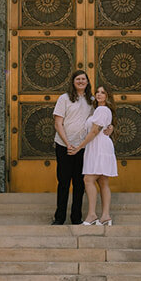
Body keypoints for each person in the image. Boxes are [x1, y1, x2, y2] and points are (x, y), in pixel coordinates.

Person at [51, 70, 93, 226]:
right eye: (78, 79)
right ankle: (59, 217)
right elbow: (58, 123)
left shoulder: (92, 100)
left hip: (83, 148)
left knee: (79, 183)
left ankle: (76, 217)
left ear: (87, 82)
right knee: (63, 182)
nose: (81, 81)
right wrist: (68, 143)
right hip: (64, 146)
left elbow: (97, 123)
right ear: (73, 82)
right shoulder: (64, 98)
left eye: (83, 79)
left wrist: (109, 127)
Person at [80, 85, 118, 227]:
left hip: (99, 146)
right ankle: (106, 216)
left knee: (88, 179)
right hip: (100, 145)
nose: (99, 94)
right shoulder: (100, 109)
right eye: (97, 92)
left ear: (108, 95)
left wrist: (80, 146)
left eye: (103, 92)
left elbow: (95, 131)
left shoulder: (102, 109)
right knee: (103, 181)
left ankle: (92, 215)